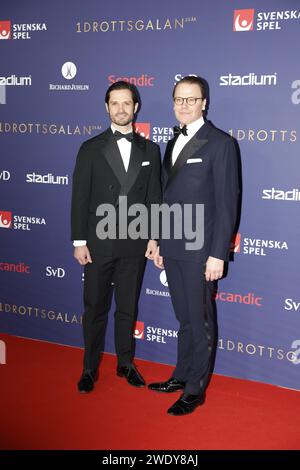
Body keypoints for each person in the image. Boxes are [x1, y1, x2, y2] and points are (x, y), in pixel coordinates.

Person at [149, 76, 240, 415]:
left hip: (201, 251)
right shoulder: (173, 140)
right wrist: (157, 238)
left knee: (199, 321)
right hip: (172, 246)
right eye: (178, 99)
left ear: (205, 102)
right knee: (184, 318)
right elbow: (164, 197)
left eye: (191, 99)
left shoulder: (220, 143)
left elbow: (226, 204)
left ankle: (195, 389)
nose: (184, 105)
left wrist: (218, 253)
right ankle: (181, 374)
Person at [71, 81, 161, 393]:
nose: (121, 109)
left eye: (127, 103)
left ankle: (126, 363)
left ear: (136, 107)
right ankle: (89, 367)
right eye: (115, 104)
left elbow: (154, 198)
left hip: (135, 243)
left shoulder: (150, 150)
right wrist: (78, 241)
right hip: (98, 243)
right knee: (94, 307)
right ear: (107, 108)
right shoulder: (90, 148)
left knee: (127, 306)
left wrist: (154, 237)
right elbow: (80, 197)